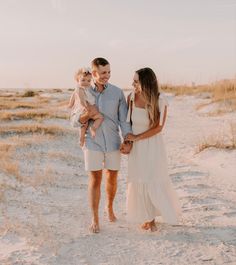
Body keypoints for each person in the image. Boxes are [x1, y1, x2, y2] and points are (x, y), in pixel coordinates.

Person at [79, 57, 132, 233]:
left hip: (113, 141)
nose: (106, 76)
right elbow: (73, 119)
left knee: (112, 176)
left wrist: (128, 140)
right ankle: (95, 218)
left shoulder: (117, 93)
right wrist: (86, 116)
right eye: (103, 73)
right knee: (95, 179)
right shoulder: (82, 91)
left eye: (109, 72)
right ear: (94, 73)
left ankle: (109, 207)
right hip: (92, 141)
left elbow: (124, 119)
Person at [125, 67, 181, 231]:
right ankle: (147, 216)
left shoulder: (160, 99)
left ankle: (152, 219)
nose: (132, 84)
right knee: (139, 179)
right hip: (136, 148)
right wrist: (128, 142)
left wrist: (137, 138)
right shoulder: (131, 98)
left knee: (152, 178)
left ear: (146, 82)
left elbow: (159, 127)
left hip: (152, 145)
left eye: (136, 81)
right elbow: (128, 124)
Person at [68, 67, 104, 147]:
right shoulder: (79, 89)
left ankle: (93, 128)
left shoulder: (89, 88)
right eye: (83, 80)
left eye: (88, 80)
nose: (86, 82)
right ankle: (81, 138)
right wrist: (86, 108)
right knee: (84, 125)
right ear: (78, 80)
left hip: (90, 107)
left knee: (100, 117)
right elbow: (80, 100)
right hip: (83, 108)